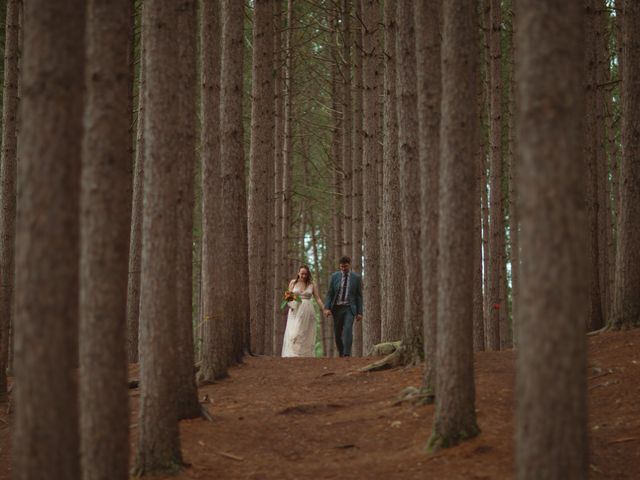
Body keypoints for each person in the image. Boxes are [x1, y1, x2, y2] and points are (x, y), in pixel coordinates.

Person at [282, 265, 325, 357]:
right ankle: (294, 353)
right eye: (302, 274)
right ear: (298, 273)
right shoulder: (293, 283)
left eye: (305, 274)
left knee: (304, 331)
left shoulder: (311, 284)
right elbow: (288, 297)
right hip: (295, 309)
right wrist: (291, 303)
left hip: (307, 310)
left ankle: (303, 354)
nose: (304, 276)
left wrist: (324, 309)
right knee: (294, 332)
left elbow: (317, 298)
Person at [323, 256, 363, 357]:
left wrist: (359, 312)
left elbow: (359, 296)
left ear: (349, 265)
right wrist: (327, 308)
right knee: (337, 333)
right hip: (336, 308)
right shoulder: (334, 276)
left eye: (345, 266)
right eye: (341, 266)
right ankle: (341, 352)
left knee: (348, 329)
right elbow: (330, 294)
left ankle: (347, 353)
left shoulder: (356, 278)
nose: (343, 268)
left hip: (349, 308)